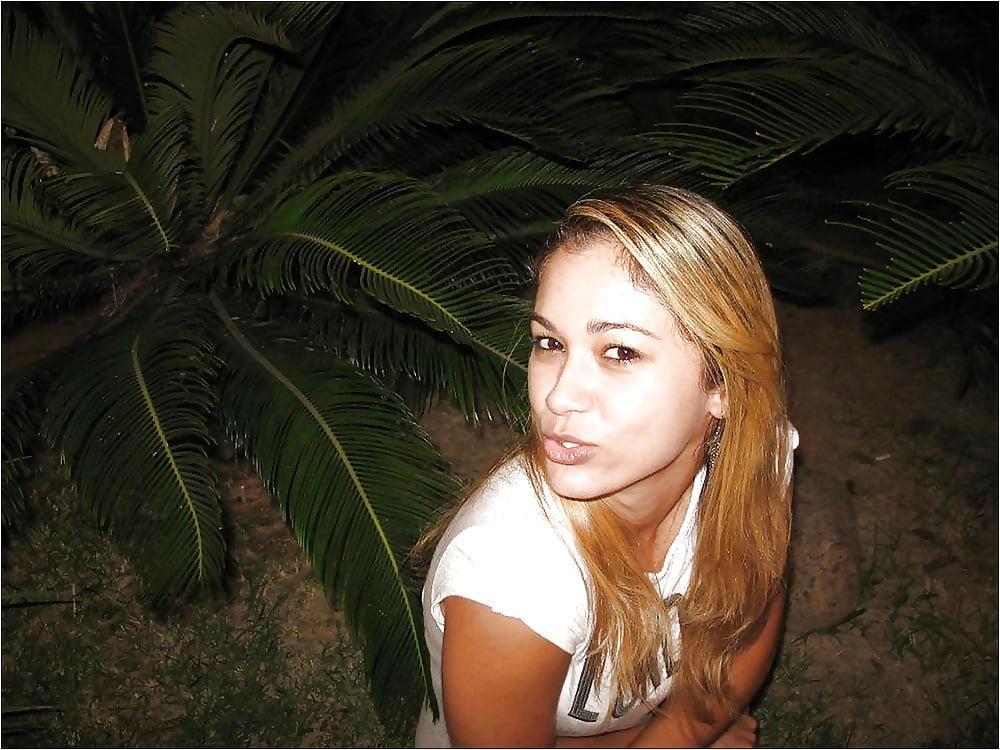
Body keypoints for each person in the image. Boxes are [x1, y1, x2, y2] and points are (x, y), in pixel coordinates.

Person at [415, 185, 797, 748]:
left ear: (724, 384)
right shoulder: (511, 577)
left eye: (620, 351)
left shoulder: (758, 455)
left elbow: (755, 605)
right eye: (549, 343)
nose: (559, 396)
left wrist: (688, 725)